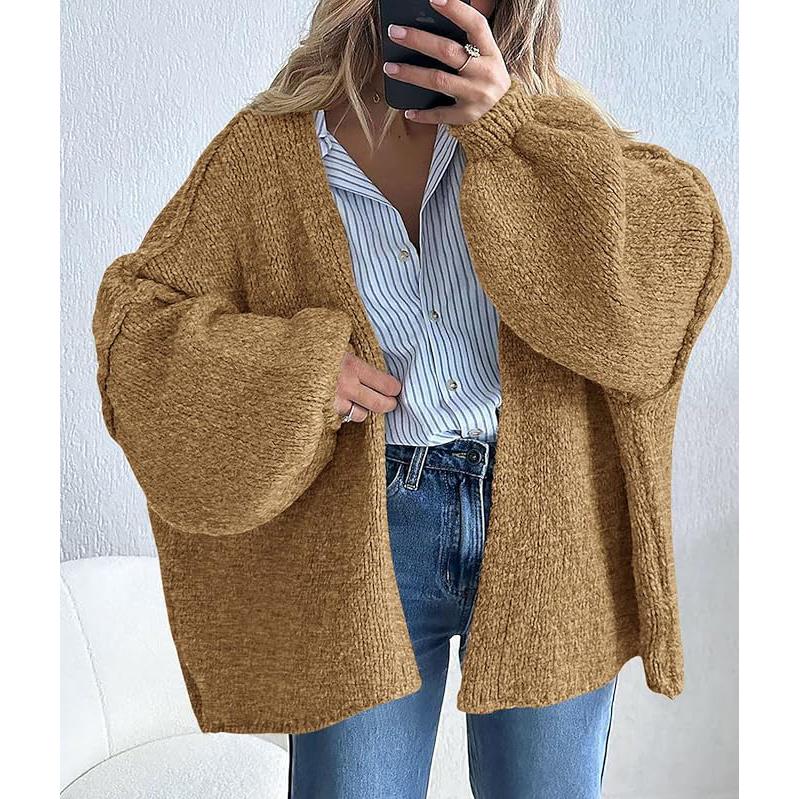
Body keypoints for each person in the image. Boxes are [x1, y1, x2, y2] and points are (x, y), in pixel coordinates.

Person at [91, 1, 731, 797]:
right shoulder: (268, 150)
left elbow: (665, 285)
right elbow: (137, 326)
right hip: (362, 534)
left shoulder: (550, 138)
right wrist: (297, 373)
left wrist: (511, 130)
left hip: (550, 524)